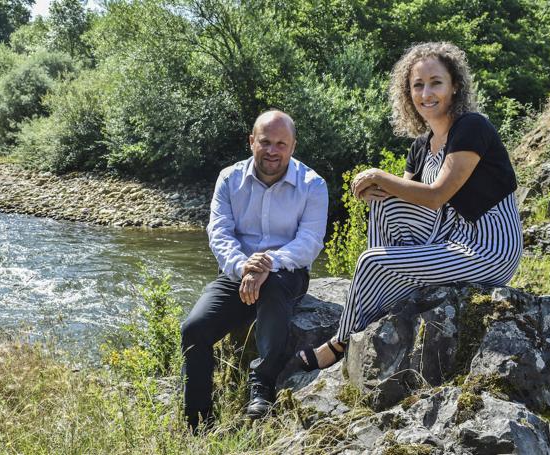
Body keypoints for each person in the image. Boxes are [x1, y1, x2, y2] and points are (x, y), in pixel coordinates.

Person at [297, 41, 522, 371]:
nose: (426, 93)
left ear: (455, 86)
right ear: (408, 93)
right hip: (446, 239)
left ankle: (340, 342)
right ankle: (391, 288)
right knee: (383, 205)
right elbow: (401, 198)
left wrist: (377, 174)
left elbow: (435, 195)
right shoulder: (421, 145)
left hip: (487, 250)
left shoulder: (472, 127)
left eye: (436, 82)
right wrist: (372, 189)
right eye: (418, 85)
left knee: (372, 260)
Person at [181, 110, 328, 430]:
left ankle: (261, 386)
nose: (272, 151)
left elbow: (310, 242)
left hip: (288, 271)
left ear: (293, 146)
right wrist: (243, 266)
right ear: (251, 142)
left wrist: (267, 264)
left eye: (281, 144)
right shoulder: (229, 178)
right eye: (265, 142)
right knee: (194, 329)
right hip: (236, 271)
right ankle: (198, 422)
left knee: (273, 287)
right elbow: (219, 233)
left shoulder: (312, 184)